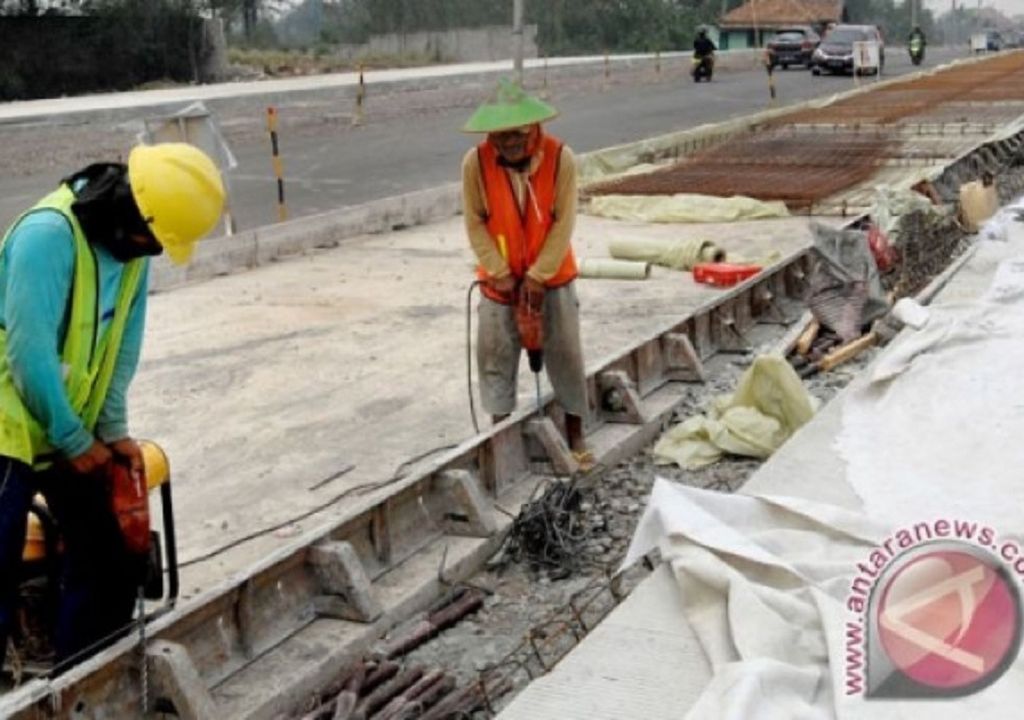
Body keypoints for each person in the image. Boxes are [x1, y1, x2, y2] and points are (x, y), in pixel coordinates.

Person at [0, 143, 224, 671]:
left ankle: (83, 678)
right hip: (8, 419)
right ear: (128, 212)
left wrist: (112, 428)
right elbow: (28, 354)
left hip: (63, 417)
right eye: (151, 239)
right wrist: (75, 440)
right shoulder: (47, 237)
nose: (152, 251)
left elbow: (124, 343)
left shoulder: (131, 249)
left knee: (110, 558)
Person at [461, 79, 593, 466]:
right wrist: (499, 271)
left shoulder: (560, 159)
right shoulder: (476, 164)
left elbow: (563, 221)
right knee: (495, 357)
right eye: (499, 138)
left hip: (553, 278)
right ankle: (500, 440)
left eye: (515, 137)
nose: (507, 146)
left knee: (566, 355)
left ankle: (575, 432)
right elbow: (475, 222)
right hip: (499, 281)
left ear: (532, 129)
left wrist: (538, 276)